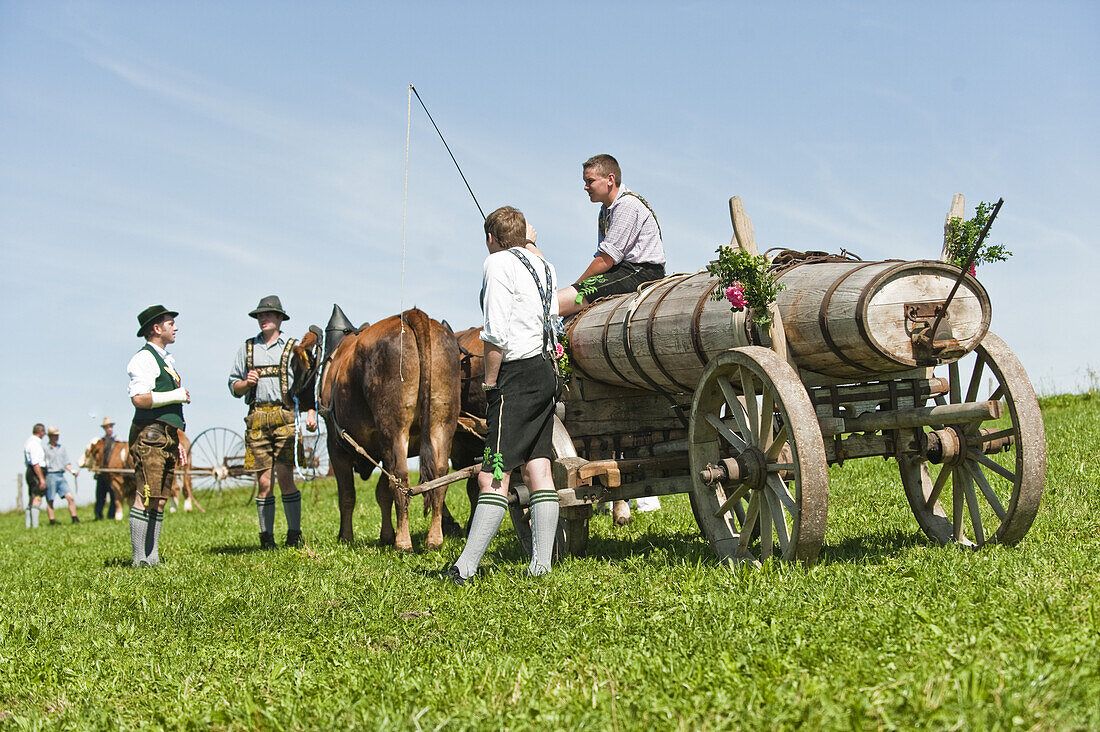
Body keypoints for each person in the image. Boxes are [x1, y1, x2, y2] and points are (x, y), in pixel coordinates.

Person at [449, 206, 561, 584]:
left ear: (491, 238)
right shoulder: (544, 266)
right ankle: (541, 566)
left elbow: (494, 333)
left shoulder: (496, 263)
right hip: (547, 371)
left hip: (515, 375)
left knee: (492, 476)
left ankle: (465, 568)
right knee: (538, 467)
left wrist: (490, 383)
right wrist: (530, 240)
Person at [228, 295, 317, 549]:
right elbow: (234, 386)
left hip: (285, 416)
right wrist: (246, 383)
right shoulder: (246, 349)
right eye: (260, 316)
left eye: (268, 315)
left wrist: (310, 412)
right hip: (256, 417)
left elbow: (304, 385)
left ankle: (294, 534)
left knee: (285, 476)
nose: (263, 319)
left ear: (280, 318)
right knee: (264, 481)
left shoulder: (292, 349)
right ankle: (266, 537)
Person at [556, 154, 666, 318]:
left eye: (590, 181)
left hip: (641, 272)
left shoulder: (627, 205)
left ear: (610, 179)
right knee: (568, 300)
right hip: (623, 270)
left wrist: (578, 285)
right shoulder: (605, 210)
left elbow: (605, 259)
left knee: (558, 303)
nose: (586, 187)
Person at [127, 304, 190, 568]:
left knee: (161, 496)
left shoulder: (165, 360)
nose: (175, 327)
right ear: (156, 328)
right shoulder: (143, 359)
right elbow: (139, 399)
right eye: (169, 323)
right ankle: (138, 559)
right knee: (146, 493)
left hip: (165, 435)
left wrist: (177, 439)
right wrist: (176, 395)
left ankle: (152, 558)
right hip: (150, 435)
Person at [43, 426, 80, 524]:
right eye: (54, 436)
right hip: (50, 475)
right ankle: (52, 521)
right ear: (50, 436)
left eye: (57, 435)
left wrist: (72, 471)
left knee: (70, 497)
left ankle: (74, 518)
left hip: (61, 475)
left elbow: (66, 463)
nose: (56, 437)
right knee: (50, 499)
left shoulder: (62, 448)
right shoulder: (45, 449)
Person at [94, 417, 119, 520]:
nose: (109, 429)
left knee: (113, 495)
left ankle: (111, 515)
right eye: (107, 427)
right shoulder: (101, 441)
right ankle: (98, 515)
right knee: (100, 496)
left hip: (112, 473)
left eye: (110, 427)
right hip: (102, 472)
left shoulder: (117, 440)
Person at [23, 423, 47, 529]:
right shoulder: (34, 444)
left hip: (31, 471)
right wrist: (41, 479)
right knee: (37, 497)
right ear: (41, 432)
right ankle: (34, 526)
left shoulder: (29, 441)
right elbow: (35, 462)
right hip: (36, 472)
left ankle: (29, 525)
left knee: (32, 497)